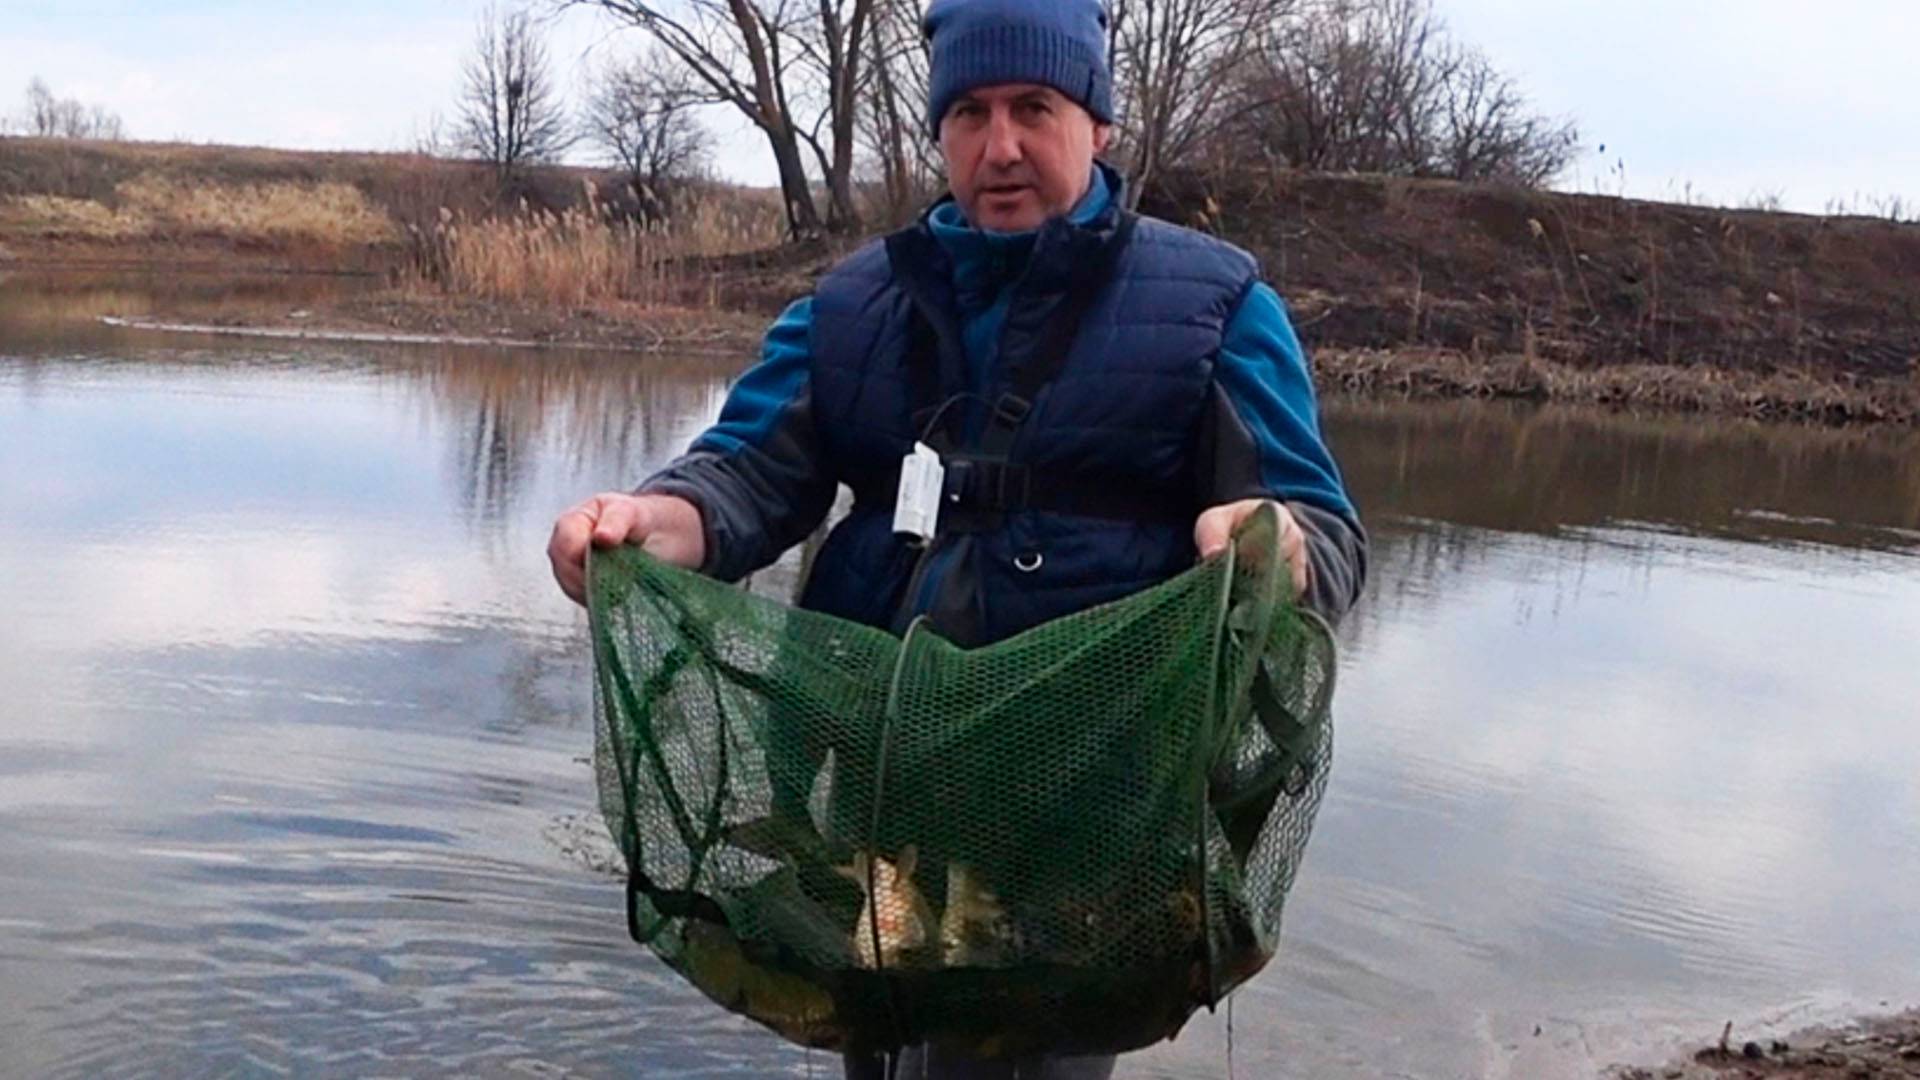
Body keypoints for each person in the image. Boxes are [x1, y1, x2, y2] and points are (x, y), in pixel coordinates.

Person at [548, 0, 1366, 1073]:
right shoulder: (851, 306)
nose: (1002, 146)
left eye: (1035, 106)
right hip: (873, 793)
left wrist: (1276, 541)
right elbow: (746, 473)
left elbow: (1329, 546)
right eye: (971, 113)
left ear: (1099, 123)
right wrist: (650, 523)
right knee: (882, 1049)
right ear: (939, 130)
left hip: (1085, 817)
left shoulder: (1215, 305)